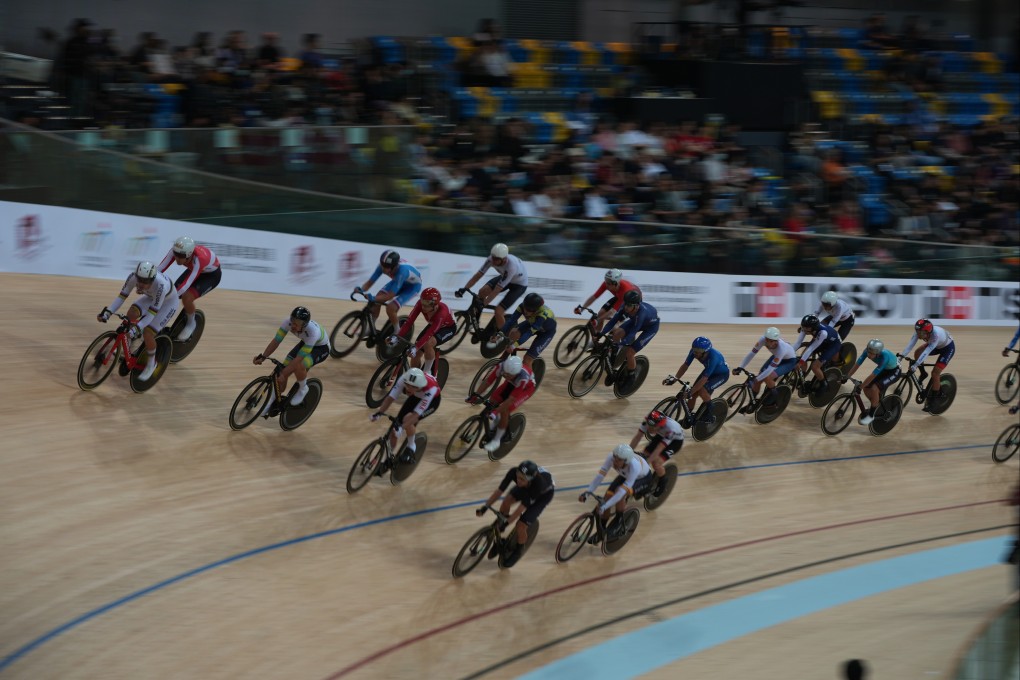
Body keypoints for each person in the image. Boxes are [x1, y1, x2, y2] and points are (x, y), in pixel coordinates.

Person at [98, 261, 180, 382]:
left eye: (145, 282)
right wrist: (108, 312)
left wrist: (137, 328)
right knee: (131, 314)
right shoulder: (132, 277)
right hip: (151, 298)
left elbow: (151, 314)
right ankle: (127, 342)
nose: (140, 284)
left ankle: (151, 364)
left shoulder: (160, 286)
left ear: (152, 280)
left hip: (168, 304)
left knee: (147, 333)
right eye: (139, 280)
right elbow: (121, 297)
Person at [476, 459, 555, 568]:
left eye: (522, 479)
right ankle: (498, 535)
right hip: (527, 488)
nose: (518, 481)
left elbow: (520, 509)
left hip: (543, 496)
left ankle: (518, 551)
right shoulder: (514, 472)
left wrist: (506, 524)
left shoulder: (538, 485)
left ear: (530, 479)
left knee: (521, 525)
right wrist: (485, 507)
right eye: (518, 477)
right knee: (506, 501)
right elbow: (499, 491)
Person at [253, 306, 330, 412]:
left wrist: (284, 374)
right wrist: (263, 356)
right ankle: (271, 403)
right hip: (306, 343)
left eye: (297, 323)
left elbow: (298, 359)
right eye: (293, 320)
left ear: (304, 325)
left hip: (321, 349)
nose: (293, 325)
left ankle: (303, 388)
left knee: (300, 365)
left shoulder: (313, 332)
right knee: (282, 370)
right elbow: (276, 341)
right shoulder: (287, 322)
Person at [455, 243, 529, 347]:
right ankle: (475, 322)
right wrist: (465, 288)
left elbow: (497, 290)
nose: (493, 261)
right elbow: (478, 275)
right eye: (493, 258)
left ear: (504, 259)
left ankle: (501, 338)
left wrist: (484, 303)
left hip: (519, 285)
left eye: (496, 259)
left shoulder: (511, 266)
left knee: (498, 311)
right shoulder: (491, 259)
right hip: (506, 278)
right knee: (482, 292)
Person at [579, 444, 652, 539]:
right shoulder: (611, 457)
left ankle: (619, 521)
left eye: (618, 460)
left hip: (642, 478)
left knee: (619, 492)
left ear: (626, 461)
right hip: (625, 475)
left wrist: (605, 507)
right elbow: (600, 476)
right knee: (606, 498)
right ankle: (601, 530)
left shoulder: (634, 467)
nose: (615, 461)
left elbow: (621, 492)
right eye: (615, 458)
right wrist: (587, 493)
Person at [156, 236, 221, 341]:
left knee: (186, 297)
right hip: (196, 269)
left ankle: (191, 323)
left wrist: (169, 297)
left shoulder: (199, 259)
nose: (177, 258)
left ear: (189, 255)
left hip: (211, 276)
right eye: (176, 254)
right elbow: (159, 269)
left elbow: (187, 284)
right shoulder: (176, 251)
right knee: (173, 290)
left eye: (181, 256)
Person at [370, 367, 441, 462]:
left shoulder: (430, 389)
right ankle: (388, 457)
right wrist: (379, 413)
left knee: (407, 419)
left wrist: (401, 428)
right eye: (407, 385)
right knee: (394, 429)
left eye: (413, 387)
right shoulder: (404, 378)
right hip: (415, 396)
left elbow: (416, 415)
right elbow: (390, 398)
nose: (409, 388)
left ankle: (411, 446)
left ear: (419, 386)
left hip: (432, 401)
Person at [469, 354, 536, 453]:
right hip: (511, 383)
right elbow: (488, 382)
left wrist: (496, 412)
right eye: (505, 373)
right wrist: (476, 394)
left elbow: (511, 399)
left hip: (525, 389)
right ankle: (498, 421)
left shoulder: (523, 378)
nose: (506, 376)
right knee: (492, 400)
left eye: (509, 375)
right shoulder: (502, 366)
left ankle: (497, 440)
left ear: (516, 373)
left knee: (505, 410)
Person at [601, 289, 660, 391]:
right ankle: (612, 364)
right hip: (636, 321)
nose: (626, 307)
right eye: (625, 304)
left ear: (636, 306)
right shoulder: (625, 306)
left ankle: (631, 377)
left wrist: (622, 344)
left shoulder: (642, 313)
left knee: (630, 352)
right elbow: (613, 321)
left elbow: (633, 332)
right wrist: (601, 334)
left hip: (650, 328)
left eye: (629, 305)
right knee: (617, 333)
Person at [354, 249, 422, 336]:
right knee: (377, 301)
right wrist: (361, 289)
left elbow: (390, 295)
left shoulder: (402, 271)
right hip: (399, 282)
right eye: (382, 265)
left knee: (391, 308)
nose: (383, 269)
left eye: (386, 267)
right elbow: (370, 282)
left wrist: (373, 298)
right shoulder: (383, 266)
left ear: (394, 267)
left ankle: (398, 332)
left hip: (412, 287)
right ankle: (371, 329)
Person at [390, 287, 456, 376]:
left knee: (428, 343)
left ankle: (427, 373)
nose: (423, 307)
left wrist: (416, 347)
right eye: (422, 302)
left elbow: (430, 333)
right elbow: (409, 322)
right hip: (434, 325)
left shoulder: (442, 313)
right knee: (416, 354)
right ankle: (414, 376)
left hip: (448, 328)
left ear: (435, 305)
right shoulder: (420, 304)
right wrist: (397, 336)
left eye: (427, 305)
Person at [665, 336, 729, 423]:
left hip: (721, 375)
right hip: (709, 371)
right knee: (693, 394)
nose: (695, 353)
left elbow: (704, 379)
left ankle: (711, 413)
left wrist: (690, 393)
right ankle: (687, 418)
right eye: (694, 350)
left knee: (701, 391)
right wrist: (675, 378)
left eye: (698, 352)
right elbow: (685, 366)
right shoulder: (694, 351)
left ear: (705, 352)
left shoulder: (714, 357)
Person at [734, 326, 798, 412]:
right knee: (759, 379)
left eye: (771, 341)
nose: (768, 342)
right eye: (767, 339)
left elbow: (770, 369)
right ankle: (752, 403)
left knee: (766, 377)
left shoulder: (782, 348)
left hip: (789, 361)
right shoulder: (762, 339)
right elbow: (752, 353)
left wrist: (757, 379)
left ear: (776, 341)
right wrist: (740, 367)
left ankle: (776, 399)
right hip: (776, 357)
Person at [900, 318, 955, 412]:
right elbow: (910, 345)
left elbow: (927, 352)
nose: (918, 335)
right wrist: (901, 357)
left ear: (928, 331)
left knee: (935, 373)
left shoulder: (935, 335)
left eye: (921, 333)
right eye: (917, 332)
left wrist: (916, 365)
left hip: (947, 348)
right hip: (936, 345)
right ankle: (923, 373)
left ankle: (934, 401)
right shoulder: (920, 331)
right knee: (917, 352)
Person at [493, 292, 556, 370]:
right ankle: (503, 359)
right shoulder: (522, 306)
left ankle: (529, 377)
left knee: (527, 360)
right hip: (532, 323)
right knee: (513, 333)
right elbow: (511, 321)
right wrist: (500, 334)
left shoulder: (543, 315)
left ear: (536, 310)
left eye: (529, 310)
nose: (526, 312)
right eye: (525, 308)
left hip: (545, 333)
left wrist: (514, 345)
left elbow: (529, 333)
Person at [843, 338, 901, 425]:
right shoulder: (866, 351)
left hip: (894, 372)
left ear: (878, 353)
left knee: (874, 388)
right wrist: (847, 376)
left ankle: (871, 415)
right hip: (885, 369)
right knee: (866, 387)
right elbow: (857, 364)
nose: (869, 355)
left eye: (872, 353)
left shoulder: (884, 357)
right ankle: (876, 404)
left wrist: (860, 387)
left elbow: (873, 375)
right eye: (868, 352)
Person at [629, 410, 683, 493]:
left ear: (660, 425)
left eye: (654, 427)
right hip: (661, 435)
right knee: (644, 455)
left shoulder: (671, 429)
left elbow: (659, 448)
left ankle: (663, 481)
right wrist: (628, 451)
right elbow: (637, 437)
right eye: (650, 426)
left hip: (675, 441)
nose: (650, 429)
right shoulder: (648, 420)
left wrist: (647, 462)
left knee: (656, 463)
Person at [575, 268, 640, 333]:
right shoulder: (606, 284)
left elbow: (612, 311)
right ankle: (597, 335)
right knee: (601, 313)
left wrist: (598, 320)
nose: (606, 284)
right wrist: (582, 308)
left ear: (616, 283)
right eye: (606, 280)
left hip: (631, 301)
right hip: (619, 297)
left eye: (609, 283)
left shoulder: (625, 290)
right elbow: (594, 297)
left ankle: (618, 338)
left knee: (615, 326)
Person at [793, 314, 842, 392]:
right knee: (803, 356)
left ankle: (824, 384)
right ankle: (803, 376)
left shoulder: (823, 333)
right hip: (822, 340)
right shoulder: (806, 328)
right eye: (803, 327)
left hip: (833, 344)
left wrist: (800, 363)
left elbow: (811, 349)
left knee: (815, 366)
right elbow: (798, 343)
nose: (804, 330)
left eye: (807, 328)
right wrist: (791, 353)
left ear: (813, 328)